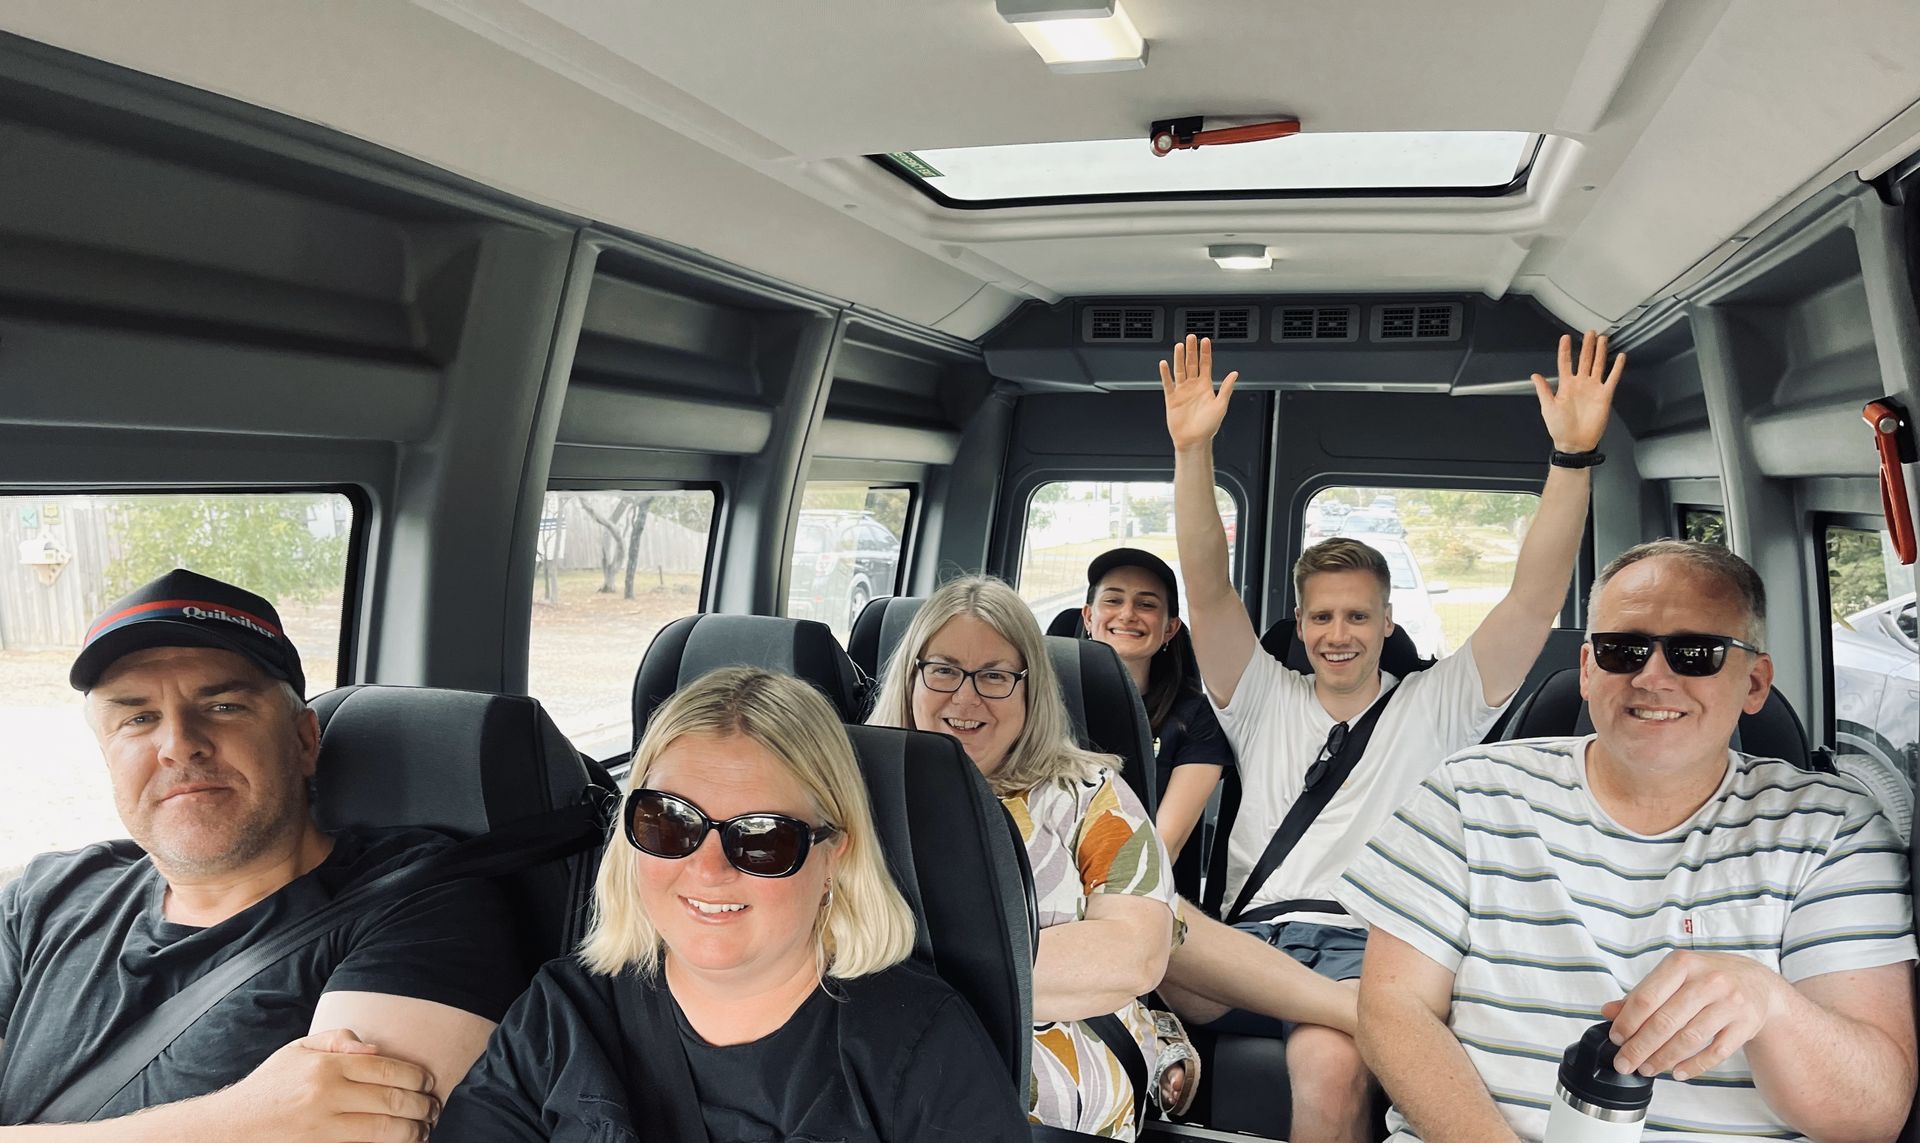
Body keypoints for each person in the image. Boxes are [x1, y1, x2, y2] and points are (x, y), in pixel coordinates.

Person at [1159, 331, 1624, 1143]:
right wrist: (1193, 451)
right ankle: (1360, 1013)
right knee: (1154, 927)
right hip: (1249, 944)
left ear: (1386, 623)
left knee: (1329, 1067)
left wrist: (1573, 457)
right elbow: (1206, 585)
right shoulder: (1261, 696)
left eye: (1357, 615)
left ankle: (1359, 1011)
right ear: (1299, 623)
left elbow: (1531, 598)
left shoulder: (1438, 703)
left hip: (1365, 944)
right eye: (1322, 616)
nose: (1338, 634)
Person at [1339, 540, 1918, 1142]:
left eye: (1696, 653)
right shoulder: (1470, 791)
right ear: (1589, 670)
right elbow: (1394, 1009)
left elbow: (1871, 1116)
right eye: (1623, 650)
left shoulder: (1833, 829)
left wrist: (1769, 1003)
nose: (1652, 677)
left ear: (1755, 682)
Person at [0, 568, 524, 1138]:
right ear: (107, 755)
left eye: (224, 706)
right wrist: (238, 1120)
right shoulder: (45, 895)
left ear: (303, 740)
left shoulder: (417, 899)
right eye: (138, 718)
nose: (179, 745)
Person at [437, 666, 1028, 1142]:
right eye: (670, 823)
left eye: (762, 838)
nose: (708, 869)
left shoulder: (922, 1047)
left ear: (833, 856)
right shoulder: (560, 1015)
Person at [867, 576, 1178, 1138]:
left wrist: (897, 977)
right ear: (912, 676)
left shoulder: (1087, 793)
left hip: (1052, 1114)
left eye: (994, 676)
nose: (966, 698)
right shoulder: (849, 791)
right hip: (873, 1093)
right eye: (944, 670)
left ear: (1030, 689)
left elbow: (1135, 955)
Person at [1080, 547, 1227, 862]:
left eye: (1146, 604)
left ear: (1170, 629)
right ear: (1089, 617)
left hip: (1140, 877)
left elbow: (1164, 845)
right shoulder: (1040, 700)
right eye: (1113, 600)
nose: (1127, 614)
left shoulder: (1196, 717)